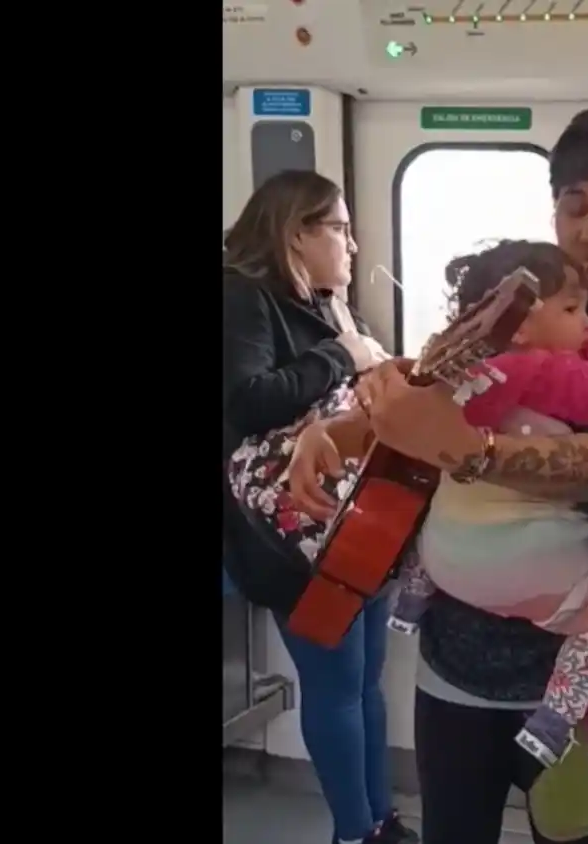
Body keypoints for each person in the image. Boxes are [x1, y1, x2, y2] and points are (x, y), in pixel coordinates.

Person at [287, 107, 588, 844]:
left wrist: (471, 453)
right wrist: (344, 428)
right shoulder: (527, 293)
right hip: (456, 655)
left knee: (570, 835)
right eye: (574, 205)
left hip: (582, 666)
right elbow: (441, 380)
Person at [387, 239, 588, 769]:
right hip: (532, 575)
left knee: (448, 496)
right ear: (517, 324)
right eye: (572, 309)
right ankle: (555, 721)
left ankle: (412, 595)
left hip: (450, 564)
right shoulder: (539, 371)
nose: (587, 322)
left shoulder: (452, 373)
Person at [220, 170, 416, 844]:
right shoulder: (242, 299)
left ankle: (380, 818)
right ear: (296, 233)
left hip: (359, 523)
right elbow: (248, 403)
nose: (353, 245)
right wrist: (343, 354)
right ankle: (353, 831)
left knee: (365, 683)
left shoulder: (333, 306)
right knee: (334, 686)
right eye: (339, 228)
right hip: (289, 531)